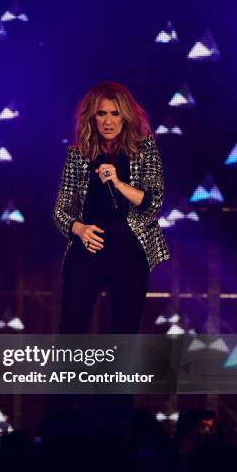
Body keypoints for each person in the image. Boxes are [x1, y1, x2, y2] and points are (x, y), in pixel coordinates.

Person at [53, 81, 170, 334]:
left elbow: (153, 203)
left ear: (125, 117)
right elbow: (61, 210)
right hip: (89, 247)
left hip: (130, 247)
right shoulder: (78, 154)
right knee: (71, 330)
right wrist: (80, 229)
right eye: (101, 113)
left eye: (115, 113)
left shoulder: (144, 150)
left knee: (125, 333)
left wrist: (118, 182)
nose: (108, 121)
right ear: (92, 118)